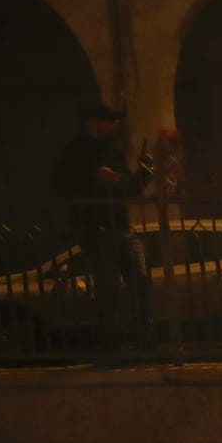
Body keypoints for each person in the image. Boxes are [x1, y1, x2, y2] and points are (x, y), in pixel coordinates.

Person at [50, 100, 155, 347]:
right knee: (108, 289)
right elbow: (60, 185)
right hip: (96, 230)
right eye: (111, 121)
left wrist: (144, 175)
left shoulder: (113, 153)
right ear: (93, 123)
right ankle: (110, 342)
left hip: (122, 228)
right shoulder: (74, 152)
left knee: (140, 281)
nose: (116, 125)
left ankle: (143, 337)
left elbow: (127, 190)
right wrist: (92, 176)